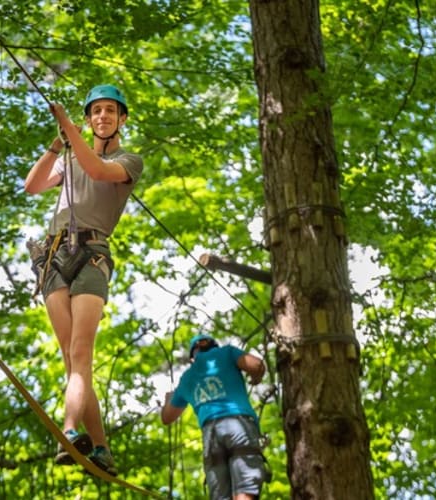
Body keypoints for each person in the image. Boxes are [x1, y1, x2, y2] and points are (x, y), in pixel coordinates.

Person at [24, 84, 143, 475]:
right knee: (71, 358)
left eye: (111, 111)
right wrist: (58, 144)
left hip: (92, 255)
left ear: (122, 118)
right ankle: (101, 447)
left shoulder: (129, 160)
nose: (103, 117)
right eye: (96, 112)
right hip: (54, 258)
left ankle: (71, 430)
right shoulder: (69, 159)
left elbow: (97, 169)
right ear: (89, 119)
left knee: (81, 353)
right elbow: (32, 185)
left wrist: (70, 131)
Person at [161, 334, 269, 499]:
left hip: (210, 435)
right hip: (239, 424)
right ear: (214, 346)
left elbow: (167, 418)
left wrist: (168, 399)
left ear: (193, 357)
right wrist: (256, 376)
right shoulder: (226, 353)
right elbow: (256, 365)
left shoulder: (187, 378)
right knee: (245, 488)